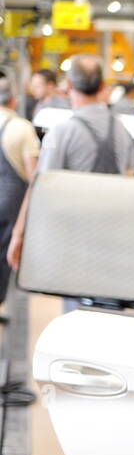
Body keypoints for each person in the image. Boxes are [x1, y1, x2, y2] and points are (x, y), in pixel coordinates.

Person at [6, 55, 134, 275]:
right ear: (103, 87)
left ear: (68, 87)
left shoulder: (60, 132)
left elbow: (40, 187)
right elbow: (130, 181)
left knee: (75, 299)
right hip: (115, 234)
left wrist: (19, 234)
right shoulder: (123, 132)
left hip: (74, 236)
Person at [0, 77, 39, 316]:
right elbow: (34, 175)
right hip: (11, 202)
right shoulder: (21, 127)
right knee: (8, 257)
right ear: (14, 100)